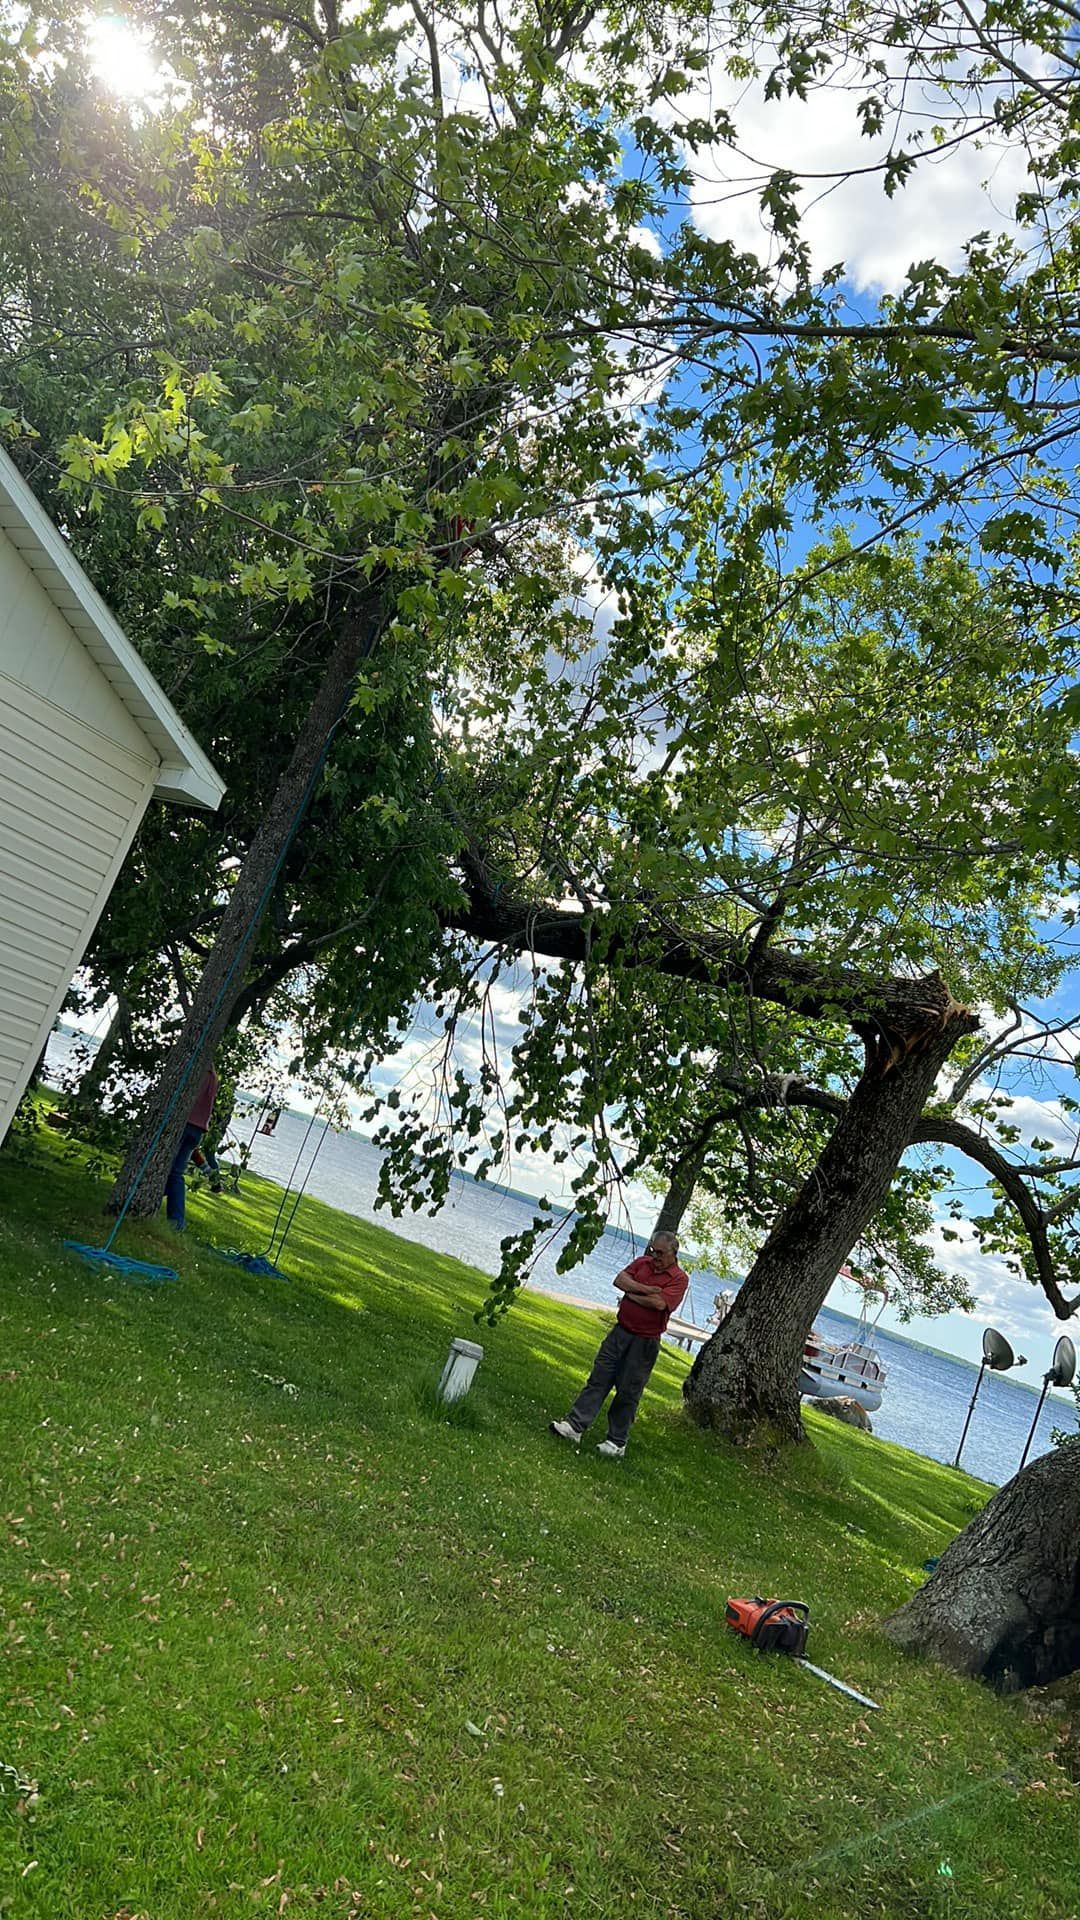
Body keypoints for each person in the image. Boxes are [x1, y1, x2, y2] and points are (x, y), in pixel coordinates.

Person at [549, 1230, 689, 1458]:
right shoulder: (642, 1262)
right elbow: (619, 1280)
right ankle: (575, 1426)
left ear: (674, 1252)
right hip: (619, 1333)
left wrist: (630, 1292)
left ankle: (616, 1442)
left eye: (660, 1253)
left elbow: (659, 1303)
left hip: (644, 1342)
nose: (655, 1256)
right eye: (653, 1250)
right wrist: (643, 1290)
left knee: (628, 1391)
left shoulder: (679, 1278)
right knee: (598, 1379)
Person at [164, 1063, 219, 1231]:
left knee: (171, 1172)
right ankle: (177, 1220)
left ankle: (176, 1221)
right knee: (175, 1173)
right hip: (198, 1129)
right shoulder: (213, 1077)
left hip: (185, 1122)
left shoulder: (197, 1069)